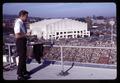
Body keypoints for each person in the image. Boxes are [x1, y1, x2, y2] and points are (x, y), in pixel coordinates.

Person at [14, 10, 31, 80]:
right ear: (22, 16)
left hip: (23, 41)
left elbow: (21, 34)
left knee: (24, 57)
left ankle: (24, 71)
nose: (27, 18)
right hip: (20, 41)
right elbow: (17, 35)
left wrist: (26, 35)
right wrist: (26, 34)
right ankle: (19, 74)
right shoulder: (18, 23)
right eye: (26, 16)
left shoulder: (22, 23)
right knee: (21, 58)